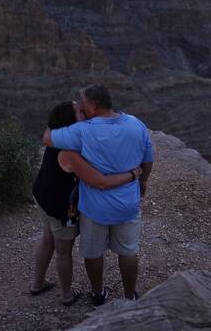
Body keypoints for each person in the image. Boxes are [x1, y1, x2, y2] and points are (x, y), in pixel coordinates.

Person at [43, 84, 153, 305]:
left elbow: (48, 137)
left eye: (83, 103)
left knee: (93, 254)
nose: (81, 107)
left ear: (93, 106)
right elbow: (148, 159)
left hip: (95, 208)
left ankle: (98, 294)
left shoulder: (82, 131)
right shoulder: (136, 124)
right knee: (128, 252)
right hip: (127, 204)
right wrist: (141, 181)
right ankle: (130, 296)